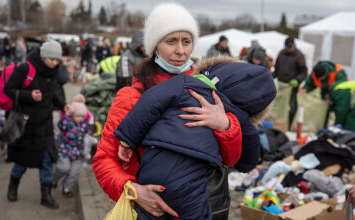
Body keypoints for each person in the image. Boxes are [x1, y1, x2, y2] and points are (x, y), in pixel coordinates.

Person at [93, 3, 256, 220]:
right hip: (148, 212)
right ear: (154, 47)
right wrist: (133, 191)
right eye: (171, 41)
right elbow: (104, 160)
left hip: (202, 206)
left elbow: (232, 159)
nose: (180, 50)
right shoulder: (132, 97)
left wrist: (225, 125)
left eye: (186, 41)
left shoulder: (208, 91)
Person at [115, 57, 276, 219]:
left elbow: (149, 103)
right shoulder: (237, 116)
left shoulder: (183, 83)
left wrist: (126, 139)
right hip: (189, 177)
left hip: (152, 163)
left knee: (147, 215)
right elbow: (248, 161)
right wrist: (232, 123)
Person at [4, 40, 73, 209]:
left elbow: (51, 94)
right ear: (43, 56)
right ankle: (12, 187)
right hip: (27, 125)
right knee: (22, 162)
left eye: (57, 60)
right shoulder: (26, 68)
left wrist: (63, 104)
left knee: (47, 161)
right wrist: (28, 95)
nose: (54, 63)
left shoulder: (54, 72)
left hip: (45, 125)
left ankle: (46, 195)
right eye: (51, 59)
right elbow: (8, 89)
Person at [52, 94, 89, 197]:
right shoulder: (67, 122)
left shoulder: (84, 124)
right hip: (65, 150)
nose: (80, 119)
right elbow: (61, 124)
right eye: (78, 116)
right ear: (73, 115)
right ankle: (53, 179)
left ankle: (67, 187)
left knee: (74, 172)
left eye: (82, 116)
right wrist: (67, 114)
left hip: (78, 153)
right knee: (63, 168)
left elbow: (87, 135)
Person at [273, 37, 308, 129]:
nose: (289, 49)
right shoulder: (281, 53)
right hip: (281, 85)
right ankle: (277, 124)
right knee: (278, 107)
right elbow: (277, 68)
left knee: (291, 107)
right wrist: (272, 76)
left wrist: (297, 80)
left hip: (292, 86)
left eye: (290, 47)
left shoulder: (299, 56)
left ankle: (288, 126)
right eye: (287, 47)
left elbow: (304, 71)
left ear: (294, 45)